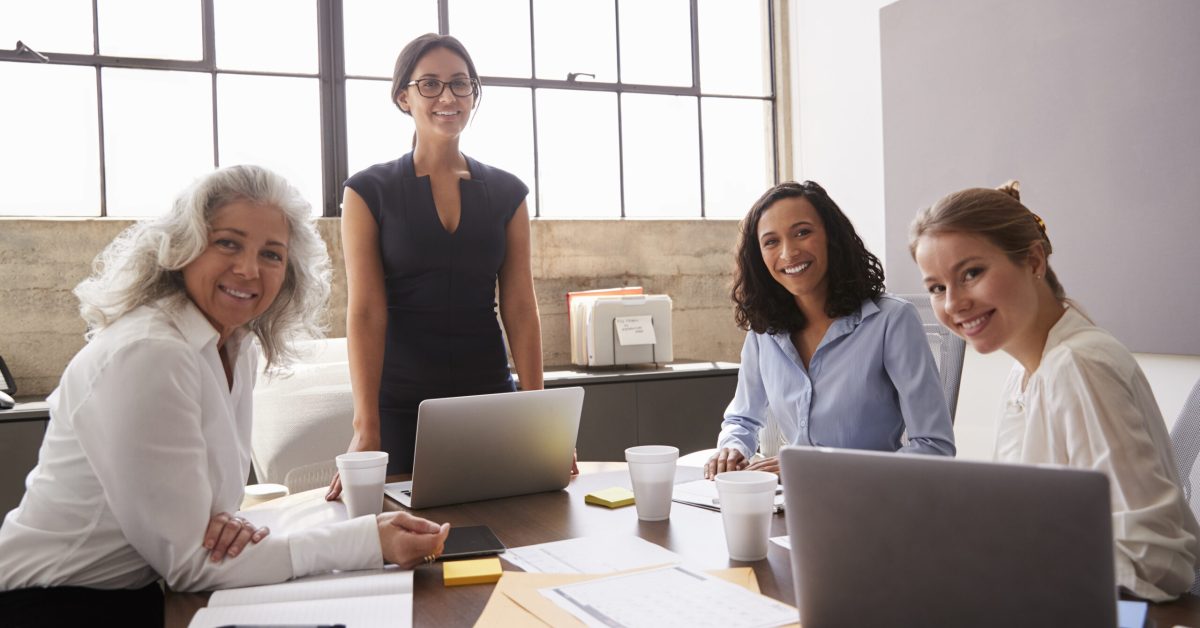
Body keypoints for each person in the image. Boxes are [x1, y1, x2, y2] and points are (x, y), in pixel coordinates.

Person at [0, 166, 450, 627]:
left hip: (142, 591)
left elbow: (211, 530)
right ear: (184, 246)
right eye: (228, 243)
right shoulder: (151, 352)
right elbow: (193, 562)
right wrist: (367, 541)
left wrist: (220, 524)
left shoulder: (233, 344)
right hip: (52, 603)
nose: (249, 269)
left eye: (272, 255)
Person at [910, 180, 1200, 601]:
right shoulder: (1029, 367)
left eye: (971, 273)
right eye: (936, 287)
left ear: (1033, 261)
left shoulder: (1077, 366)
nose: (953, 303)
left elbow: (1152, 555)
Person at [328, 32, 545, 493]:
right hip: (401, 409)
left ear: (473, 95)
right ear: (403, 96)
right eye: (429, 84)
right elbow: (365, 313)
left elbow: (521, 308)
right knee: (406, 549)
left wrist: (540, 417)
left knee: (514, 537)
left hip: (490, 403)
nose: (447, 96)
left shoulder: (509, 193)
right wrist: (366, 428)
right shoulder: (367, 192)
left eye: (460, 84)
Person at [705, 181, 955, 479]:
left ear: (831, 238)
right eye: (771, 242)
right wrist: (732, 448)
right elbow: (742, 418)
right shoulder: (765, 331)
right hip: (792, 498)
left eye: (802, 232)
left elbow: (934, 446)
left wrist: (815, 468)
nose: (788, 253)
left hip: (871, 498)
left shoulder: (892, 320)